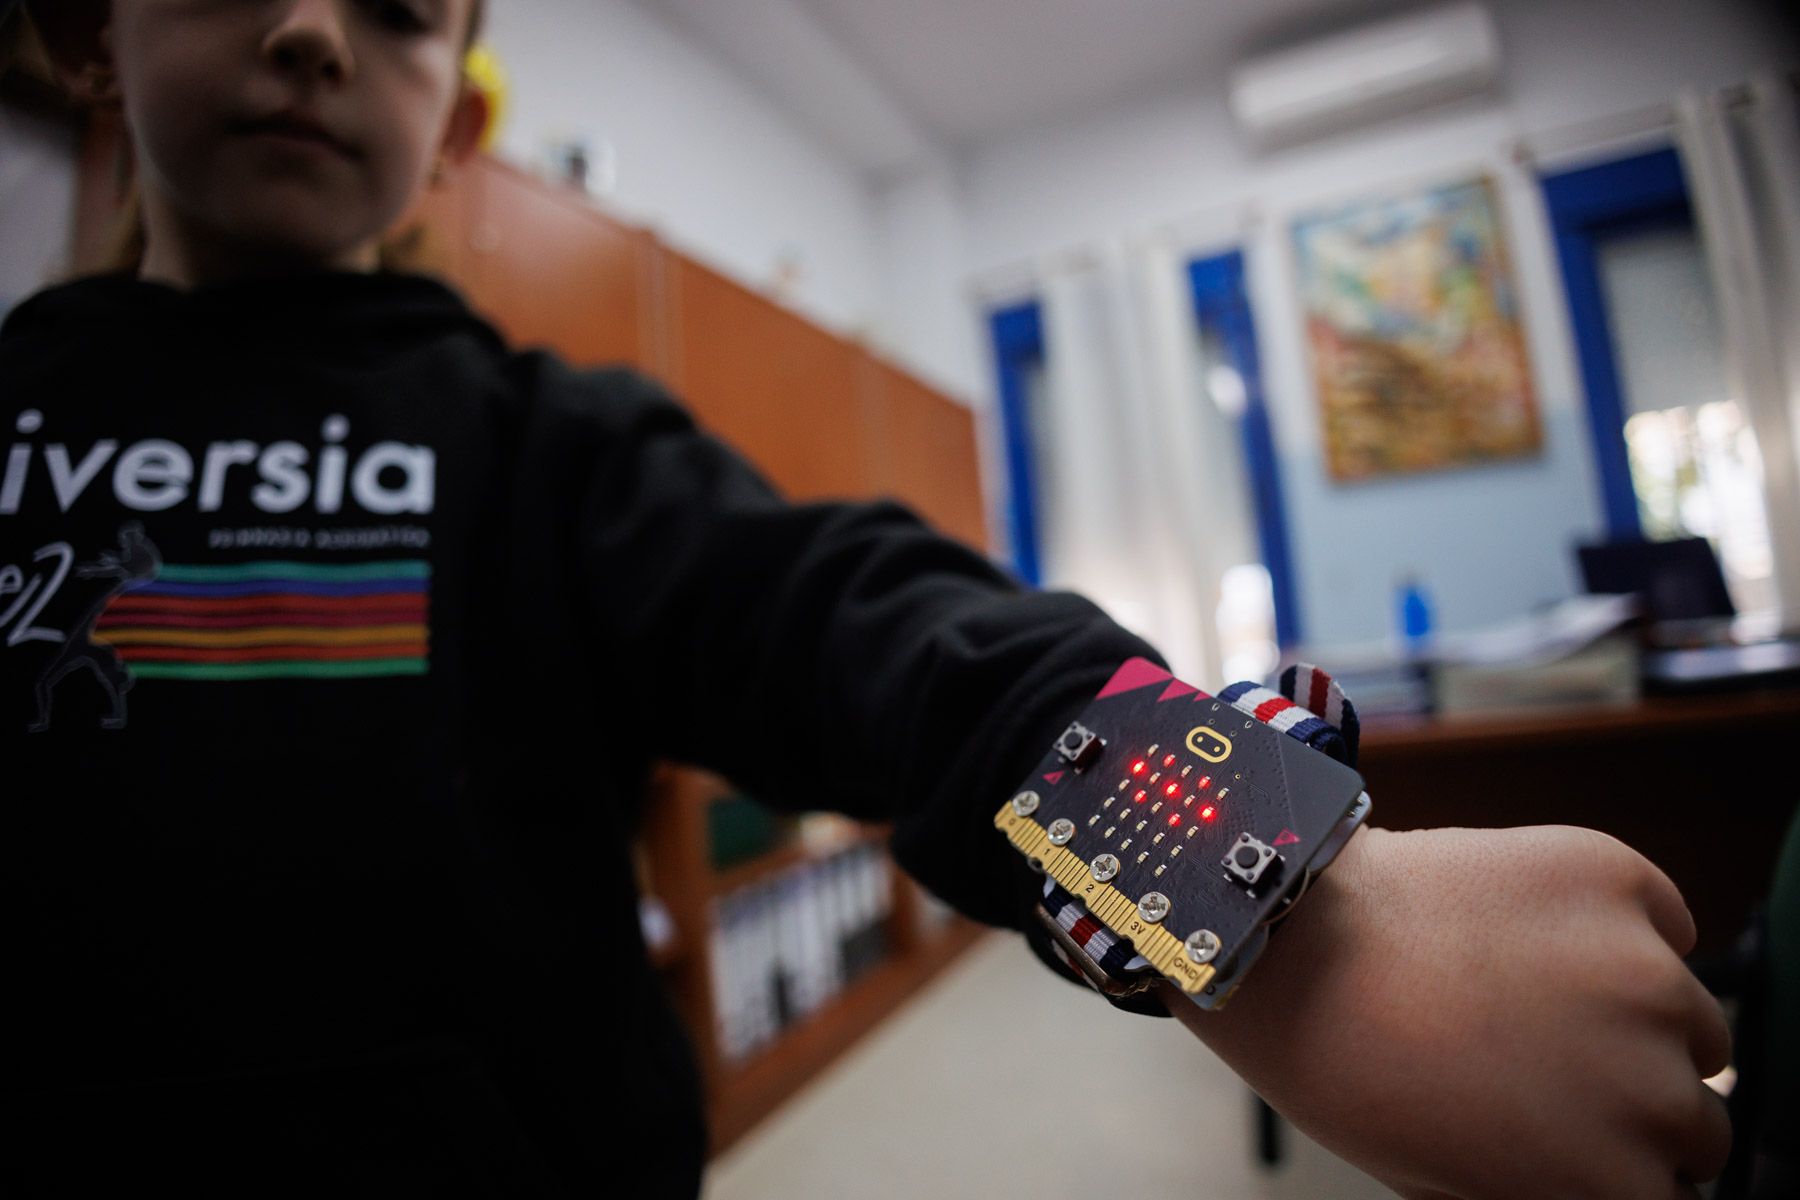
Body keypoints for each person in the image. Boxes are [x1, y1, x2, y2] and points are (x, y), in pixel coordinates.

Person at [0, 2, 1732, 1197]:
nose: (314, 29)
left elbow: (869, 631)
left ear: (453, 120)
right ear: (86, 31)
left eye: (396, 8)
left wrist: (1280, 905)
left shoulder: (552, 446)